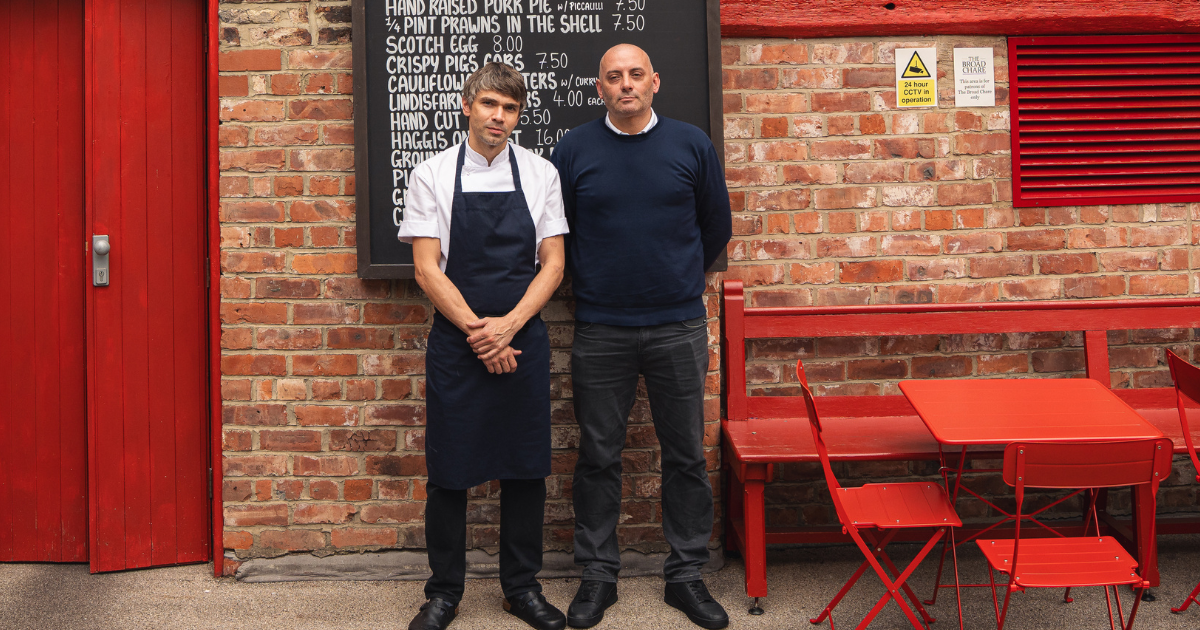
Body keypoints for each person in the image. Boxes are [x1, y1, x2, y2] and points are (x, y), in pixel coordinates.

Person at [550, 44, 733, 629]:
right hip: (601, 327)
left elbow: (716, 225)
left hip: (678, 325)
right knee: (598, 455)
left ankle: (686, 574)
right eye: (614, 77)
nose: (625, 84)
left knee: (685, 455)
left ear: (655, 81)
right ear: (599, 88)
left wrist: (678, 280)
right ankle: (598, 575)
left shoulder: (691, 144)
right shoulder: (573, 150)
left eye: (635, 75)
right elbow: (558, 235)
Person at [398, 62, 568, 630]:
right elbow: (426, 269)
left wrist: (508, 327)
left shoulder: (541, 173)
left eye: (510, 108)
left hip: (522, 340)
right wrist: (482, 333)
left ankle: (522, 588)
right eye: (490, 104)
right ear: (468, 105)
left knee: (525, 468)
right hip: (458, 345)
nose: (499, 117)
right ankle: (444, 594)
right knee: (449, 471)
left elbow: (553, 264)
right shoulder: (431, 174)